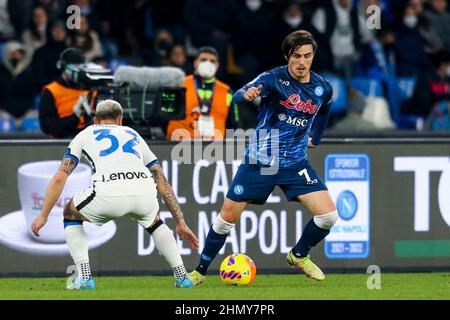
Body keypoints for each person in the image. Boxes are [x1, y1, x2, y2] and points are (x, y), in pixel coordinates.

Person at [189, 30, 337, 285]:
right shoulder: (272, 79)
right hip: (261, 161)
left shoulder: (322, 87)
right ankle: (199, 271)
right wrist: (245, 96)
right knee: (226, 218)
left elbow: (325, 108)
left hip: (295, 163)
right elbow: (238, 95)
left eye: (308, 56)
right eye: (297, 56)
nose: (302, 62)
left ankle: (299, 255)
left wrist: (317, 137)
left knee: (328, 216)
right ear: (287, 56)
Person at [31, 99, 199, 290]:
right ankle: (182, 277)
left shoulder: (85, 134)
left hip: (108, 192)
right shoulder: (132, 133)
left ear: (95, 120)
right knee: (155, 222)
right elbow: (162, 182)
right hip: (142, 190)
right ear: (120, 120)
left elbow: (60, 178)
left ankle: (85, 277)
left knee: (70, 213)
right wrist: (180, 221)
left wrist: (44, 215)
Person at [166, 46, 238, 140]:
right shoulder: (178, 85)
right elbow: (164, 117)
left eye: (212, 61)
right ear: (195, 63)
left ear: (218, 65)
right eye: (203, 60)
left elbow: (233, 125)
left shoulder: (227, 92)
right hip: (178, 147)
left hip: (214, 150)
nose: (208, 64)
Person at [38, 47, 92, 139]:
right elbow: (48, 127)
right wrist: (75, 117)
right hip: (63, 141)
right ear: (63, 67)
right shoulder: (51, 91)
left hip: (89, 139)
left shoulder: (90, 89)